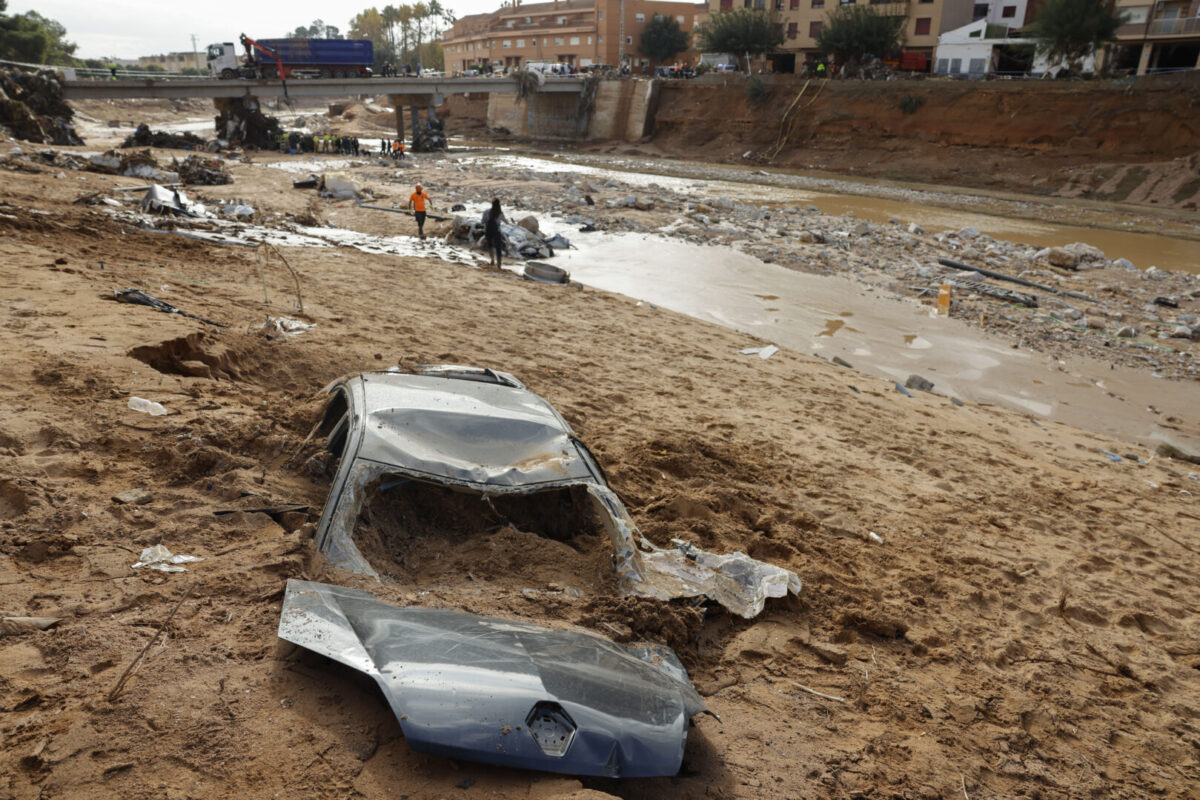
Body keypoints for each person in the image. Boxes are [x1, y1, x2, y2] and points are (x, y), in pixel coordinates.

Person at [482, 198, 507, 269]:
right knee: (498, 248)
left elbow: (482, 221)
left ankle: (492, 259)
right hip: (497, 231)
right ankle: (499, 264)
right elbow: (505, 221)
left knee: (490, 245)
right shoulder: (500, 213)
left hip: (488, 230)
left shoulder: (486, 212)